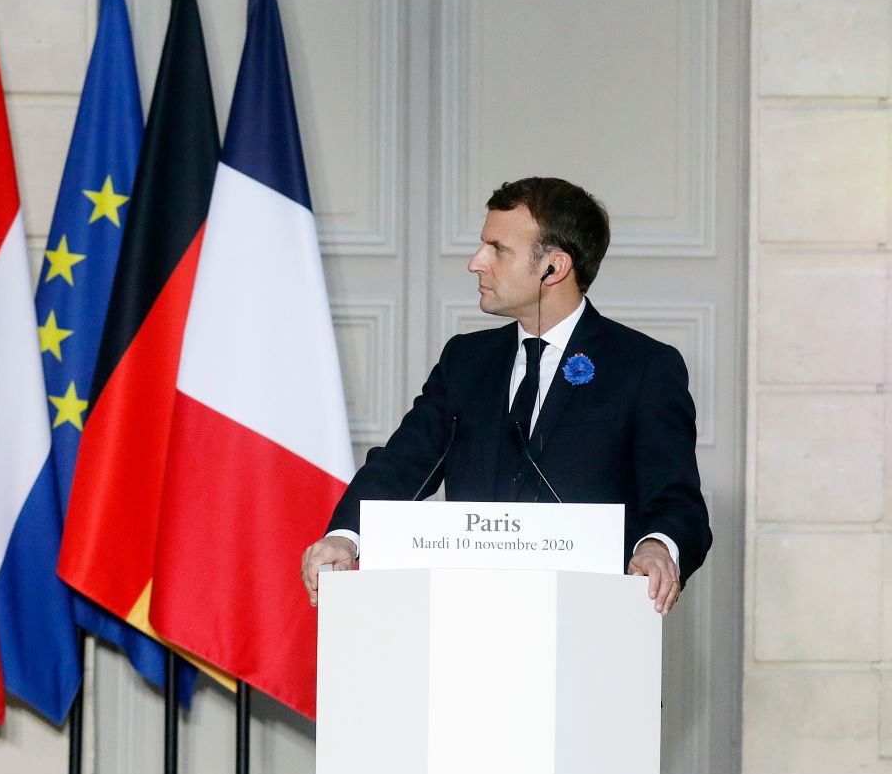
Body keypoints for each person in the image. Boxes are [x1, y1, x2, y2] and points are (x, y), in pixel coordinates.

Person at [300, 177, 711, 614]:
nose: (476, 262)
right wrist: (344, 537)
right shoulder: (466, 361)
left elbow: (676, 501)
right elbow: (403, 465)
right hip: (465, 617)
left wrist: (657, 546)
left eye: (497, 249)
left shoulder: (643, 366)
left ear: (554, 267)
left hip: (589, 625)